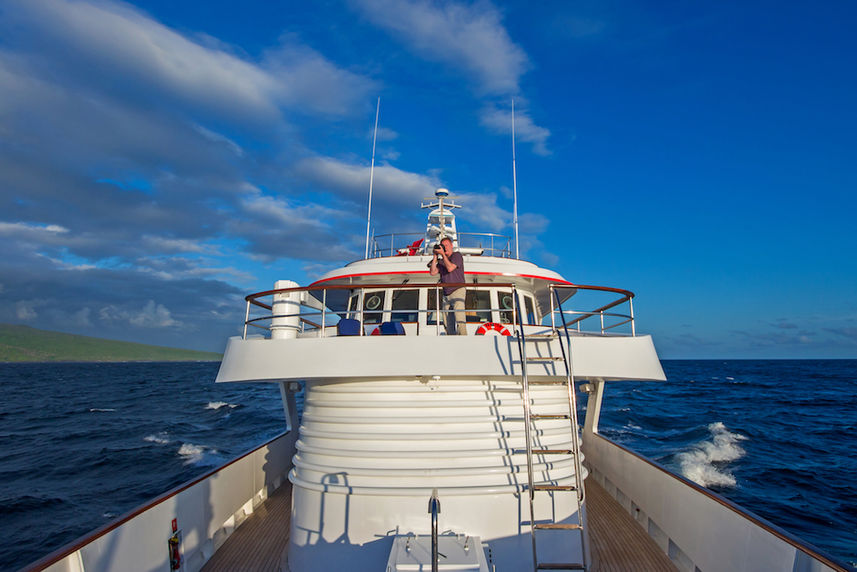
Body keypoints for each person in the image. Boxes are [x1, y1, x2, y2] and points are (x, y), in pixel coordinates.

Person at [428, 236, 466, 335]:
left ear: (451, 246)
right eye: (443, 246)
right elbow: (432, 272)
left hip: (458, 290)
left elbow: (450, 268)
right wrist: (435, 256)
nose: (445, 248)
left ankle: (464, 339)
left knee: (459, 317)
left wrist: (443, 256)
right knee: (446, 321)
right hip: (446, 293)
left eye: (446, 245)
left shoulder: (457, 256)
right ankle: (450, 338)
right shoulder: (441, 261)